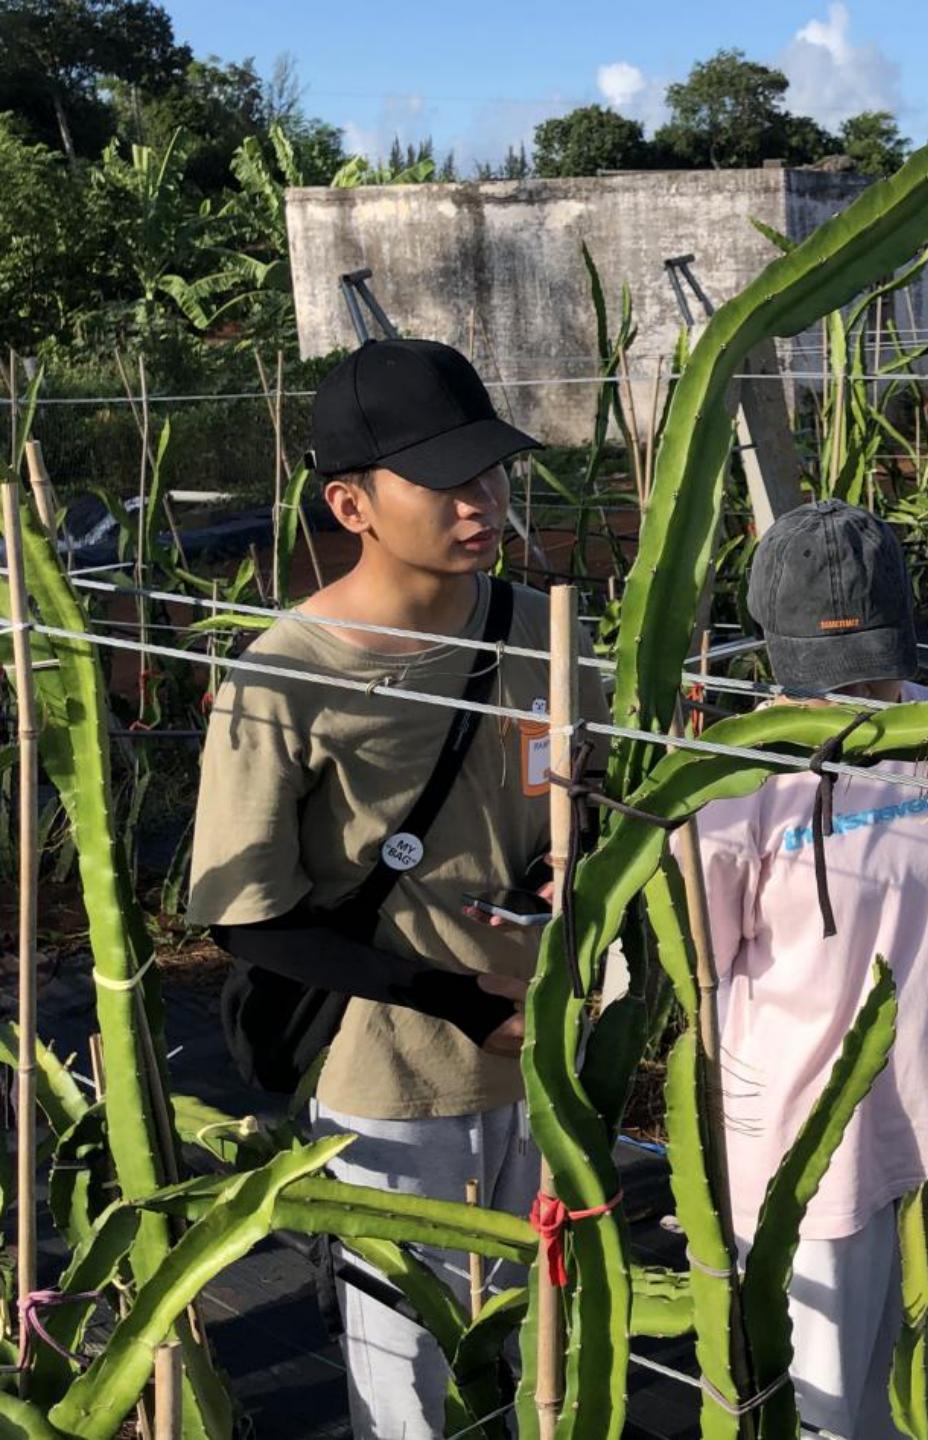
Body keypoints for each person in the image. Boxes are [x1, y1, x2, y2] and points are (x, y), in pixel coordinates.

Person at [187, 337, 610, 1439]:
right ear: (351, 504)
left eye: (492, 471)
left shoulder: (543, 628)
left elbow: (586, 799)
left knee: (537, 1348)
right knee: (407, 1377)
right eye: (446, 480)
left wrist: (574, 862)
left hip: (541, 1052)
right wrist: (457, 1001)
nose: (483, 502)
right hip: (390, 1080)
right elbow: (248, 920)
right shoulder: (287, 678)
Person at [695, 500, 928, 1440]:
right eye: (825, 674)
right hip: (802, 1122)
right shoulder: (736, 778)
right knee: (815, 1379)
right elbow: (704, 969)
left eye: (870, 668)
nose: (851, 694)